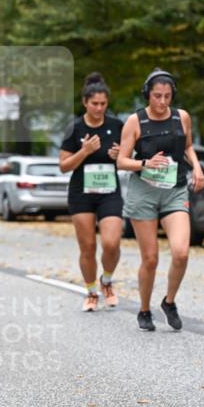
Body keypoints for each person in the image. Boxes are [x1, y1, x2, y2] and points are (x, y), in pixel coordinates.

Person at [117, 68, 204, 332]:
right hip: (143, 191)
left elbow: (187, 146)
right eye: (157, 96)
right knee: (151, 258)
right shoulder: (135, 121)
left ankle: (169, 301)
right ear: (147, 95)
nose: (163, 102)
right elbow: (121, 160)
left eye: (167, 96)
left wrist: (197, 168)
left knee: (180, 252)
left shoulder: (182, 117)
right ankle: (144, 310)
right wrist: (144, 162)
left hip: (174, 189)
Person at [59, 72, 125, 312]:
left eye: (103, 104)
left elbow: (131, 158)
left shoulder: (117, 125)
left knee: (111, 243)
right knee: (87, 247)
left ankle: (107, 280)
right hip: (81, 193)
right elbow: (64, 165)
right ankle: (91, 293)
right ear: (85, 102)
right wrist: (84, 151)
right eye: (94, 104)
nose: (99, 108)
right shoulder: (74, 128)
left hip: (109, 191)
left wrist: (121, 156)